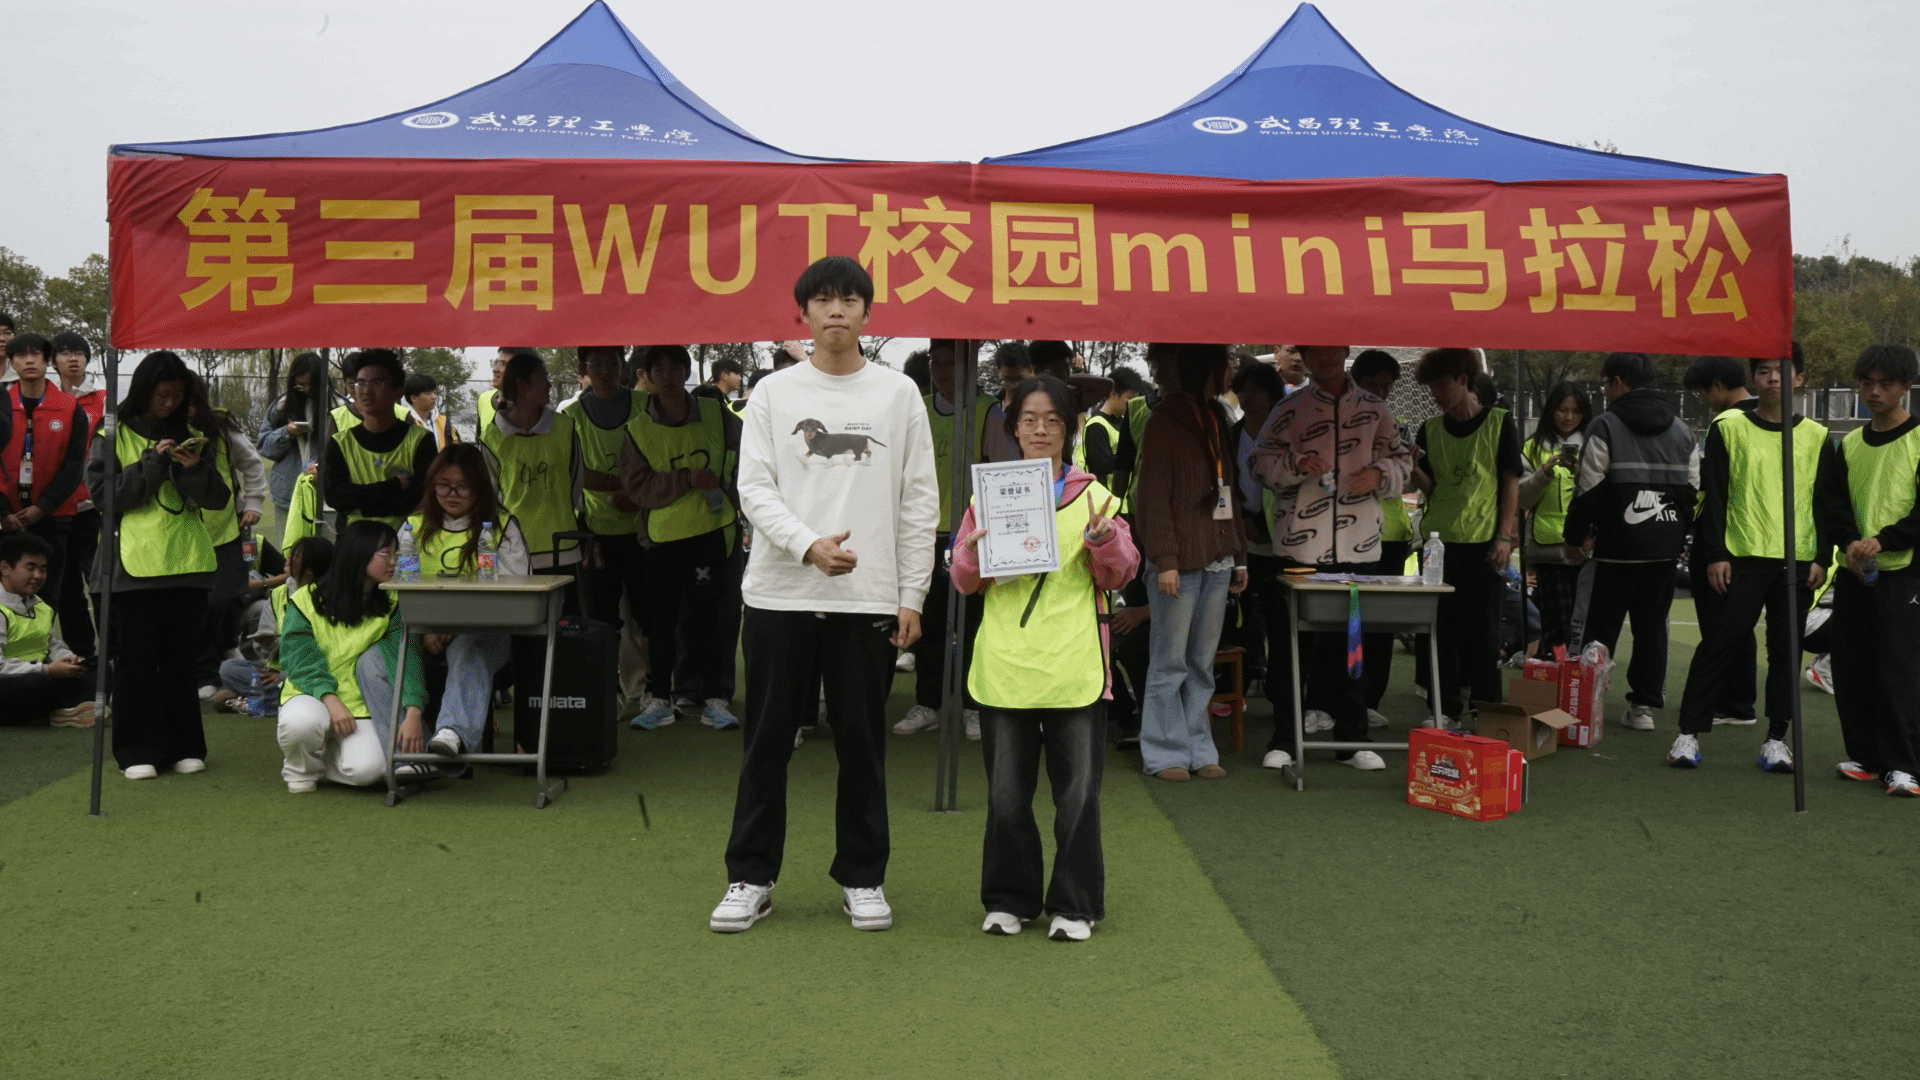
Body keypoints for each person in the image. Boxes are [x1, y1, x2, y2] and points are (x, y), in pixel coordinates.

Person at [710, 255, 938, 935]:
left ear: (867, 312)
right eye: (823, 300)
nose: (836, 311)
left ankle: (863, 877)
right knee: (766, 744)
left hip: (868, 600)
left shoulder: (898, 395)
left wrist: (912, 594)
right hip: (779, 596)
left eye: (849, 300)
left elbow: (919, 501)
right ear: (803, 313)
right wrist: (807, 545)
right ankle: (750, 877)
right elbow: (753, 489)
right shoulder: (773, 394)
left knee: (863, 747)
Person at [950, 374, 1138, 942]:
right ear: (1013, 429)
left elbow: (1121, 573)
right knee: (1006, 795)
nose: (1040, 430)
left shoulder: (1097, 497)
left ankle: (1074, 905)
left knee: (1077, 795)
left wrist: (1105, 539)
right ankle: (1010, 899)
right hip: (1006, 665)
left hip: (1073, 663)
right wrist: (972, 555)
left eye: (1053, 420)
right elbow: (963, 579)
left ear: (1069, 429)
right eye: (1029, 420)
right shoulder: (986, 496)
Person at [1249, 345, 1412, 771]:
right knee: (1291, 646)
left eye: (1331, 348)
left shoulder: (1376, 409)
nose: (1323, 356)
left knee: (1353, 645)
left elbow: (1403, 463)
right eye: (1314, 349)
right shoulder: (1288, 408)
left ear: (1344, 349)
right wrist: (1296, 464)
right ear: (1305, 353)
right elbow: (1259, 465)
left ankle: (1352, 739)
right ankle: (1286, 737)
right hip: (1298, 551)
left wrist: (1379, 474)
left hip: (1360, 550)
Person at [1672, 347, 1832, 771]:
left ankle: (1776, 739)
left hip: (1797, 563)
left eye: (1783, 371)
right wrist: (1716, 553)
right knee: (1718, 645)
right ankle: (1687, 734)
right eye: (1764, 371)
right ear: (1754, 378)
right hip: (1740, 558)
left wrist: (1821, 556)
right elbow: (1715, 496)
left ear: (1799, 379)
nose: (1773, 378)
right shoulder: (1728, 426)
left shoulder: (1817, 435)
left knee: (1785, 653)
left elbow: (1824, 501)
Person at [85, 350, 231, 779]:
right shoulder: (111, 433)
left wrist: (192, 467)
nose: (170, 403)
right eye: (163, 394)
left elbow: (218, 498)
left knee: (181, 662)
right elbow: (106, 497)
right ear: (144, 391)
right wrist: (151, 462)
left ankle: (185, 746)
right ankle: (137, 751)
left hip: (187, 565)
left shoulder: (194, 436)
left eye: (178, 395)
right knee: (136, 662)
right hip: (132, 569)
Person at [1560, 354, 1697, 730]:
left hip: (1613, 549)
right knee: (1652, 629)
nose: (1604, 392)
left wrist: (1575, 537)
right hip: (1664, 549)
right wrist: (1676, 534)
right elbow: (1692, 492)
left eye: (1605, 384)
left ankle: (1586, 705)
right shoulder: (1682, 430)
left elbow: (1588, 488)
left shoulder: (1605, 425)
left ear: (1618, 381)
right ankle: (1643, 708)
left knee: (1598, 628)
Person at [1134, 343, 1248, 781]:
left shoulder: (1216, 416)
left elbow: (1229, 488)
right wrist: (1164, 560)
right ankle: (1164, 752)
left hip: (1218, 558)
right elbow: (1152, 497)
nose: (1232, 369)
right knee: (1170, 661)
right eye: (1226, 363)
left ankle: (1200, 748)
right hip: (1178, 561)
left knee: (1201, 661)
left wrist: (1239, 555)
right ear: (1207, 369)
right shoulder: (1164, 420)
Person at [618, 344, 743, 730]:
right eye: (660, 369)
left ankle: (715, 699)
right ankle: (659, 699)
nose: (668, 376)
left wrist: (731, 495)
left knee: (710, 618)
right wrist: (686, 479)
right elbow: (637, 486)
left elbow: (744, 459)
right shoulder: (638, 429)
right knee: (661, 622)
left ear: (687, 372)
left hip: (712, 532)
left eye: (676, 368)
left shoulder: (715, 414)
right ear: (647, 376)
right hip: (661, 538)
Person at [1819, 345, 1920, 795]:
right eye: (1867, 383)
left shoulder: (1918, 438)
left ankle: (1904, 765)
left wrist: (1884, 541)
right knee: (1851, 665)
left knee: (1899, 670)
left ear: (1905, 388)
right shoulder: (1851, 443)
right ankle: (1864, 755)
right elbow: (1834, 504)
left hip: (1905, 573)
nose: (1874, 392)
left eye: (1885, 384)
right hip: (1856, 572)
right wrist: (1850, 545)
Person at [275, 520, 440, 793]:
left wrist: (413, 710)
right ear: (358, 554)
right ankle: (301, 768)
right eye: (386, 553)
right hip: (311, 693)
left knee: (370, 771)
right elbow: (298, 660)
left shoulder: (393, 601)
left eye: (396, 554)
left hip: (357, 704)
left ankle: (328, 757)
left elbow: (406, 657)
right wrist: (329, 698)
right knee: (300, 724)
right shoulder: (305, 600)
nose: (394, 562)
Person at [1410, 348, 1522, 726]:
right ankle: (1444, 711)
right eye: (1431, 388)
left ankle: (1486, 713)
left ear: (1463, 380)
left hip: (1484, 544)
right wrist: (1412, 466)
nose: (1436, 395)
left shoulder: (1500, 423)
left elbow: (1511, 480)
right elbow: (1430, 487)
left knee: (1485, 634)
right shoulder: (1430, 429)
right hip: (1438, 546)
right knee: (1441, 632)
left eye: (1442, 385)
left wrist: (1504, 537)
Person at [406, 444, 528, 757]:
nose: (452, 494)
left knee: (469, 647)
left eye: (462, 486)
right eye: (444, 485)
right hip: (422, 633)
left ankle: (453, 735)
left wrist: (457, 624)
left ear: (479, 487)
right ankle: (404, 747)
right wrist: (427, 628)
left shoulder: (501, 527)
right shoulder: (413, 527)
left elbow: (517, 593)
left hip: (488, 633)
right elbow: (396, 590)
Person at [896, 339, 988, 738]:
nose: (943, 371)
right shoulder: (918, 409)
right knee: (929, 621)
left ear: (970, 365)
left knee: (972, 624)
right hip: (926, 532)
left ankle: (974, 705)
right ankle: (928, 703)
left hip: (973, 536)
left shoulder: (988, 411)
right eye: (937, 362)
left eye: (952, 363)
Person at [559, 345, 650, 711]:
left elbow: (658, 459)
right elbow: (575, 470)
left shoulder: (645, 405)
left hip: (644, 528)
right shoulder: (571, 415)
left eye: (611, 363)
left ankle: (647, 691)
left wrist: (637, 494)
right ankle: (608, 691)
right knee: (602, 617)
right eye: (596, 364)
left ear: (621, 365)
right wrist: (621, 486)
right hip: (596, 532)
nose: (605, 370)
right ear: (585, 368)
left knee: (646, 615)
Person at [1680, 355, 1761, 727]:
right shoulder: (1767, 416)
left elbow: (1713, 491)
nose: (1703, 398)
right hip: (1755, 537)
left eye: (1702, 391)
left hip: (1721, 538)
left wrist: (1713, 550)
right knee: (1739, 624)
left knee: (1718, 625)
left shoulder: (1726, 422)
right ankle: (1740, 702)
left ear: (1716, 385)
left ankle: (1729, 703)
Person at [2, 333, 92, 651]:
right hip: (6, 519)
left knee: (47, 591)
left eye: (36, 355)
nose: (29, 360)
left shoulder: (69, 407)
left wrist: (44, 506)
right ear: (11, 363)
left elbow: (75, 464)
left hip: (53, 517)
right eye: (21, 355)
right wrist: (3, 512)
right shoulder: (2, 405)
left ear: (47, 361)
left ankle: (42, 658)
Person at [186, 376, 269, 700]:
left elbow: (252, 464)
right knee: (194, 606)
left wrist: (253, 502)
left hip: (226, 531)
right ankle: (205, 671)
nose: (185, 409)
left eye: (192, 401)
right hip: (182, 537)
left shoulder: (221, 430)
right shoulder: (159, 430)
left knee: (225, 597)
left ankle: (226, 646)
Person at [1349, 349, 1415, 718]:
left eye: (1388, 386)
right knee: (1351, 622)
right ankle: (1343, 699)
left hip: (1391, 538)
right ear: (1356, 381)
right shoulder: (1341, 422)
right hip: (1352, 538)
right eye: (1375, 385)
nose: (1382, 393)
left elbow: (1407, 477)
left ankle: (1371, 701)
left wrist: (1406, 465)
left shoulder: (1395, 426)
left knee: (1381, 626)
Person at [480, 352, 584, 573]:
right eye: (542, 379)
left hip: (563, 547)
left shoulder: (565, 428)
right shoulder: (492, 437)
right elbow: (489, 497)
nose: (549, 385)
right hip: (513, 550)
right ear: (522, 386)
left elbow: (576, 484)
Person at [213, 535, 331, 715]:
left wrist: (284, 676)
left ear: (310, 569)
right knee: (227, 669)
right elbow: (263, 654)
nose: (288, 559)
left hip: (314, 673)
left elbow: (329, 652)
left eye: (296, 556)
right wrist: (267, 644)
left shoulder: (328, 598)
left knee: (319, 684)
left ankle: (251, 703)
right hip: (276, 673)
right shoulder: (279, 594)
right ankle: (276, 698)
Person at [323, 349, 436, 532]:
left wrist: (360, 505)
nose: (366, 391)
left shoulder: (420, 440)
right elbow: (336, 497)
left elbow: (420, 499)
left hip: (406, 543)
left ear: (398, 391)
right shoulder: (340, 443)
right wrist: (393, 486)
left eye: (377, 383)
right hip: (354, 543)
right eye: (360, 383)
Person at [1225, 359, 1286, 696]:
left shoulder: (1286, 435)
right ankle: (1245, 678)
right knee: (1243, 613)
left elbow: (1290, 488)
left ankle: (1279, 686)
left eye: (1256, 391)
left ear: (1272, 395)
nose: (1248, 397)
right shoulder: (1231, 435)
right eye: (1243, 391)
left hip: (1281, 539)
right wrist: (1241, 524)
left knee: (1280, 617)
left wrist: (1262, 524)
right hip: (1242, 537)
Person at [1519, 382, 1592, 653]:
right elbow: (1522, 499)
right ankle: (1553, 669)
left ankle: (1580, 671)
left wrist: (1580, 471)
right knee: (1556, 621)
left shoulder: (1595, 443)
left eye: (1576, 411)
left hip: (1586, 545)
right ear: (1551, 410)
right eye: (1562, 409)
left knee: (1582, 618)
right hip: (1548, 546)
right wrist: (1544, 473)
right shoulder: (1533, 446)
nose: (1568, 417)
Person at [0, 531, 95, 727]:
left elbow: (51, 644)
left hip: (38, 675)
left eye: (43, 569)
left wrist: (70, 660)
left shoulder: (41, 606)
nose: (38, 576)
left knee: (98, 669)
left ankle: (61, 711)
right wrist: (46, 670)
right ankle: (66, 708)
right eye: (30, 568)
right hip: (11, 681)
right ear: (5, 568)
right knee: (40, 684)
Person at [51, 332, 104, 659]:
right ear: (53, 361)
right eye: (65, 353)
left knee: (99, 582)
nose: (73, 358)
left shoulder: (103, 399)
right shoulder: (44, 398)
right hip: (55, 508)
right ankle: (82, 654)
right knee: (66, 586)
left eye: (79, 353)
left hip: (93, 507)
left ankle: (111, 650)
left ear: (87, 359)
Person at [259, 352, 326, 521]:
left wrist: (323, 468)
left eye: (311, 385)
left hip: (327, 498)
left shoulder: (336, 406)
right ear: (292, 381)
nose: (306, 390)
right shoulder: (281, 406)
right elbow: (264, 447)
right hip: (288, 495)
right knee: (289, 540)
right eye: (300, 385)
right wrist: (286, 432)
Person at [1076, 366, 1147, 495]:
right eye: (1130, 399)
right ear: (1113, 393)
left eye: (1136, 400)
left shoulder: (1125, 422)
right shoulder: (1096, 425)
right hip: (1106, 500)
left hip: (1124, 500)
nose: (1133, 404)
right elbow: (1103, 465)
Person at [981, 343, 1036, 463]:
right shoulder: (991, 406)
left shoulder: (1041, 405)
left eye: (1019, 379)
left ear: (1031, 370)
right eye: (1006, 379)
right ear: (997, 371)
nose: (1013, 385)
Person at [476, 348, 537, 441]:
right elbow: (480, 440)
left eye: (503, 364)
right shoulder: (484, 399)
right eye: (496, 362)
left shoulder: (533, 407)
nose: (495, 369)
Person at [403, 373, 459, 451]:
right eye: (428, 394)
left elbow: (457, 448)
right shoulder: (404, 423)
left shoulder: (443, 422)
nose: (434, 397)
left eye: (434, 392)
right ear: (413, 398)